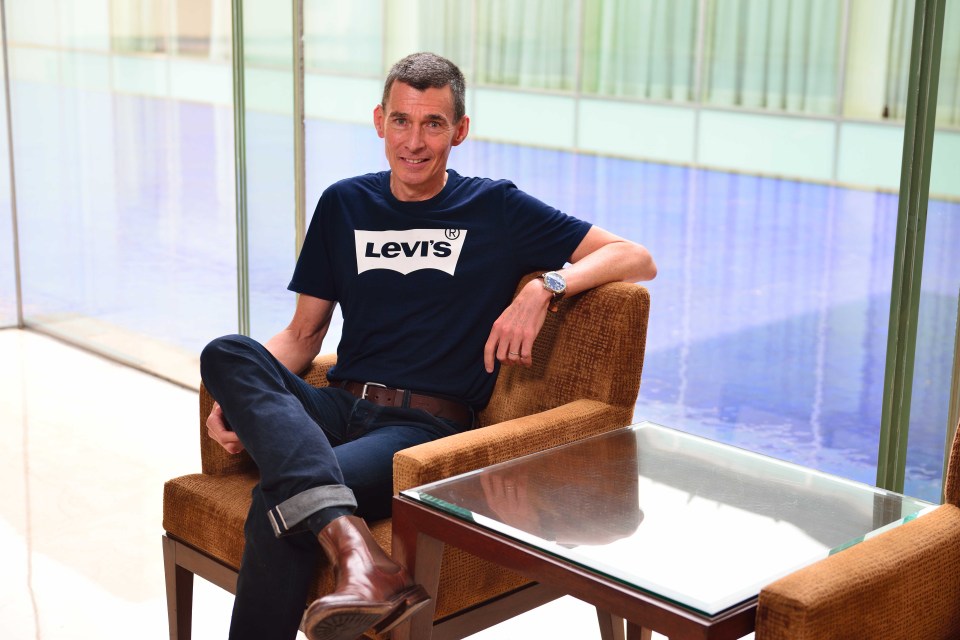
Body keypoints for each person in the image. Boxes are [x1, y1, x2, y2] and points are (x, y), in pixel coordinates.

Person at [199, 52, 656, 640]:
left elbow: (635, 257)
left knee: (279, 505)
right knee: (227, 353)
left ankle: (361, 562)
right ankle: (361, 553)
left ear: (459, 130)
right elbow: (301, 334)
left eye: (433, 123)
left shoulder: (495, 207)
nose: (414, 141)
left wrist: (546, 285)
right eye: (401, 121)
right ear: (379, 121)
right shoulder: (344, 204)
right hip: (337, 406)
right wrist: (235, 402)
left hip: (420, 428)